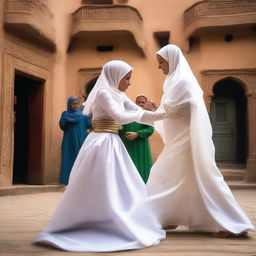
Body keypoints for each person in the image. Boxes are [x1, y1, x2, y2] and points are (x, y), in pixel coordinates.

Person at [35, 60, 167, 252]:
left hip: (113, 142)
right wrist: (145, 114)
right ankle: (96, 222)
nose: (129, 83)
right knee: (101, 182)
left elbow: (137, 112)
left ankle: (115, 220)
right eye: (127, 78)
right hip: (101, 142)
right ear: (116, 76)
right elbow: (121, 116)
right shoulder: (103, 93)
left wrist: (162, 114)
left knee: (123, 182)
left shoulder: (118, 93)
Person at [146, 44, 254, 237]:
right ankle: (169, 217)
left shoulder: (183, 82)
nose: (159, 67)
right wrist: (154, 112)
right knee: (172, 178)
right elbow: (169, 111)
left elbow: (169, 111)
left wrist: (139, 115)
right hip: (178, 141)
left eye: (161, 62)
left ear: (171, 60)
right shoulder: (172, 81)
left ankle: (231, 225)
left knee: (192, 177)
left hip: (186, 142)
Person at [119, 95, 154, 183]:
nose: (140, 104)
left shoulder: (146, 115)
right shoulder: (128, 113)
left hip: (141, 145)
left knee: (141, 167)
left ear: (146, 103)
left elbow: (150, 129)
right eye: (138, 102)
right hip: (128, 145)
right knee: (129, 167)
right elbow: (120, 127)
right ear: (135, 103)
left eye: (143, 102)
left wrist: (137, 134)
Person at [59, 96, 91, 185]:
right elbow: (62, 126)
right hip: (68, 141)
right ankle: (67, 181)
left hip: (81, 139)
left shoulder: (83, 115)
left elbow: (89, 125)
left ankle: (80, 182)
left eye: (77, 103)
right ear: (69, 104)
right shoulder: (65, 114)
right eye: (73, 104)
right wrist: (64, 119)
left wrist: (89, 116)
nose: (75, 105)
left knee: (80, 159)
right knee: (68, 159)